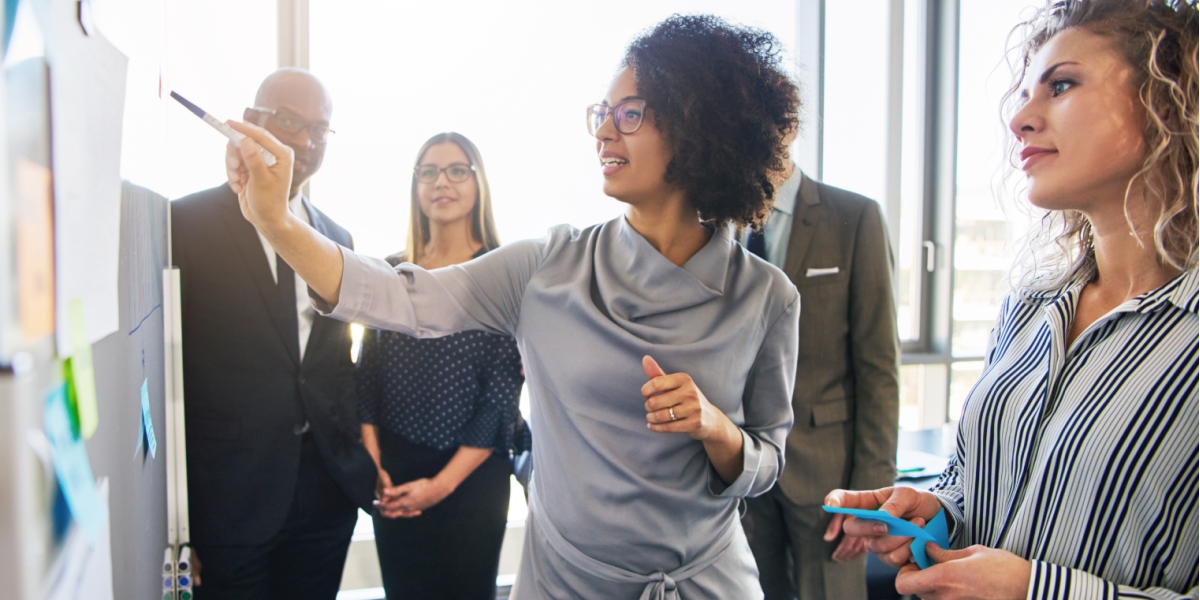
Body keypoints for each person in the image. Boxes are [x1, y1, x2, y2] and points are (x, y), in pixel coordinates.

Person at [225, 14, 801, 599]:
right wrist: (275, 220)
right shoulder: (546, 266)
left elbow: (766, 461)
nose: (604, 133)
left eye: (629, 114)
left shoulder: (767, 298)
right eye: (601, 114)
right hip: (569, 584)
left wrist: (717, 429)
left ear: (697, 127)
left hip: (707, 583)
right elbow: (398, 295)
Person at [827, 1, 1198, 598]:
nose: (1021, 118)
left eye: (1062, 85)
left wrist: (1037, 590)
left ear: (1167, 100)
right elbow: (976, 480)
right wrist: (938, 510)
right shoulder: (1031, 305)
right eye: (1026, 93)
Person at [172, 67, 376, 599]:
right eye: (290, 121)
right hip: (229, 499)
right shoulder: (185, 223)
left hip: (325, 493)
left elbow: (335, 360)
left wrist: (358, 454)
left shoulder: (337, 237)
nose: (306, 141)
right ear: (252, 122)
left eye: (320, 129)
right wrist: (178, 516)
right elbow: (170, 371)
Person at [356, 132, 530, 599]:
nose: (442, 182)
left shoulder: (502, 275)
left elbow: (499, 401)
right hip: (393, 474)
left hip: (471, 479)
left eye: (457, 170)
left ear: (478, 184)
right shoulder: (392, 271)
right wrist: (373, 465)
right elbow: (367, 374)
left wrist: (439, 486)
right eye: (428, 171)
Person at [740, 123, 900, 600]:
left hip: (828, 475)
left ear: (786, 128)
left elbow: (879, 369)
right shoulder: (717, 224)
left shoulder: (854, 216)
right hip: (740, 471)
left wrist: (869, 498)